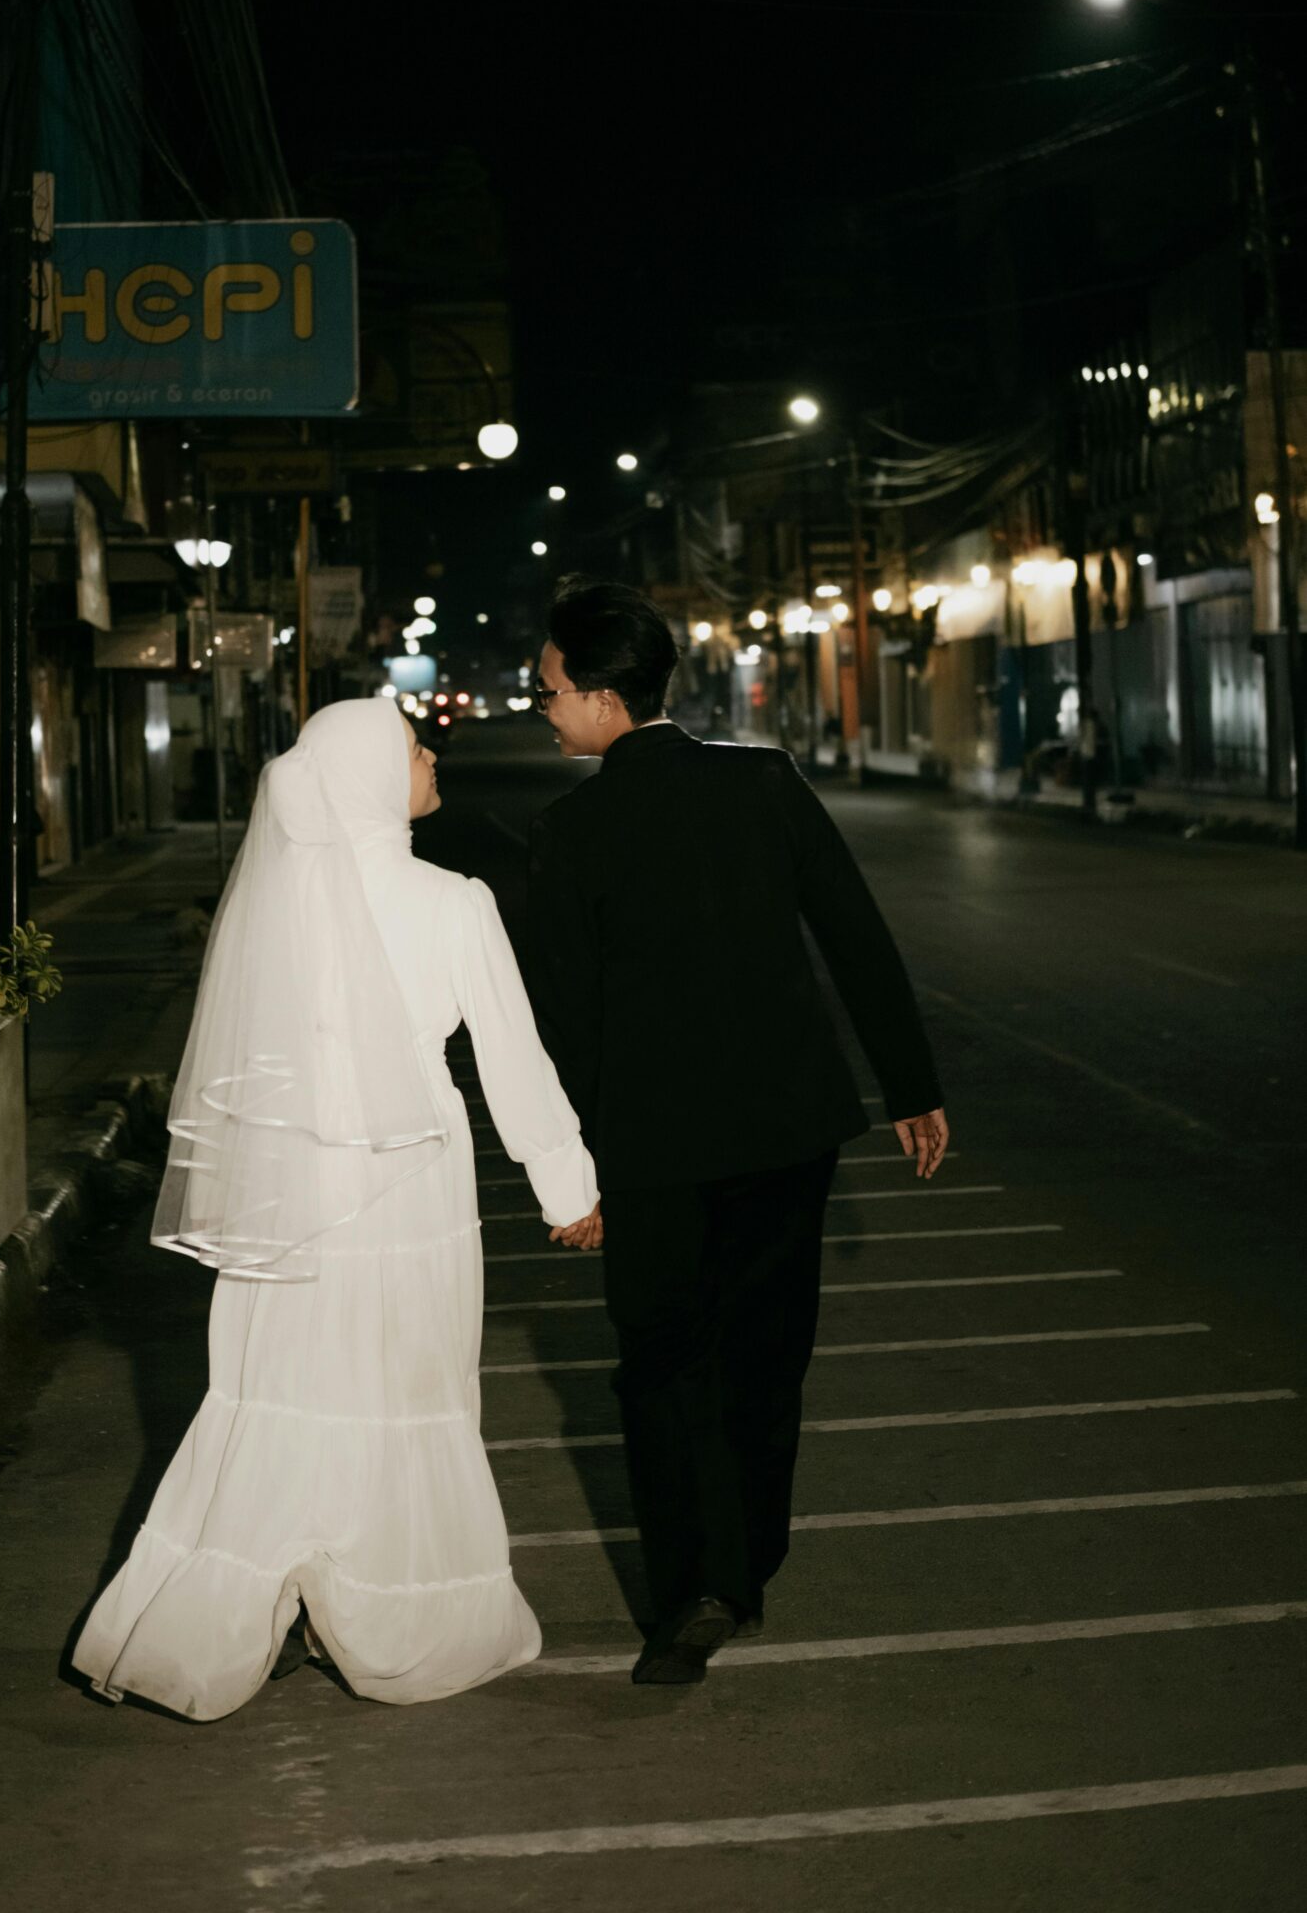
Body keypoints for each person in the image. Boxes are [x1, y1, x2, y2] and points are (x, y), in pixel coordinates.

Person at [72, 696, 598, 1721]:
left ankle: (245, 1607)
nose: (431, 752)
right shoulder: (452, 900)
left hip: (294, 1190)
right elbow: (511, 1059)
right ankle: (385, 1615)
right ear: (369, 776)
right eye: (412, 745)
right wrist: (566, 1185)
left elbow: (248, 1061)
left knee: (281, 1390)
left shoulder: (281, 899)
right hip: (411, 1192)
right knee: (404, 1387)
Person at [525, 579, 948, 1688]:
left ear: (608, 698)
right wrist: (910, 1084)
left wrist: (575, 1166)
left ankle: (690, 1594)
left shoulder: (572, 831)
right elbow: (852, 930)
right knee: (765, 1355)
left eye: (552, 690)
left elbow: (566, 1024)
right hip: (785, 1131)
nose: (544, 706)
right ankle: (748, 1561)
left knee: (663, 1365)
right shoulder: (763, 781)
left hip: (654, 1145)